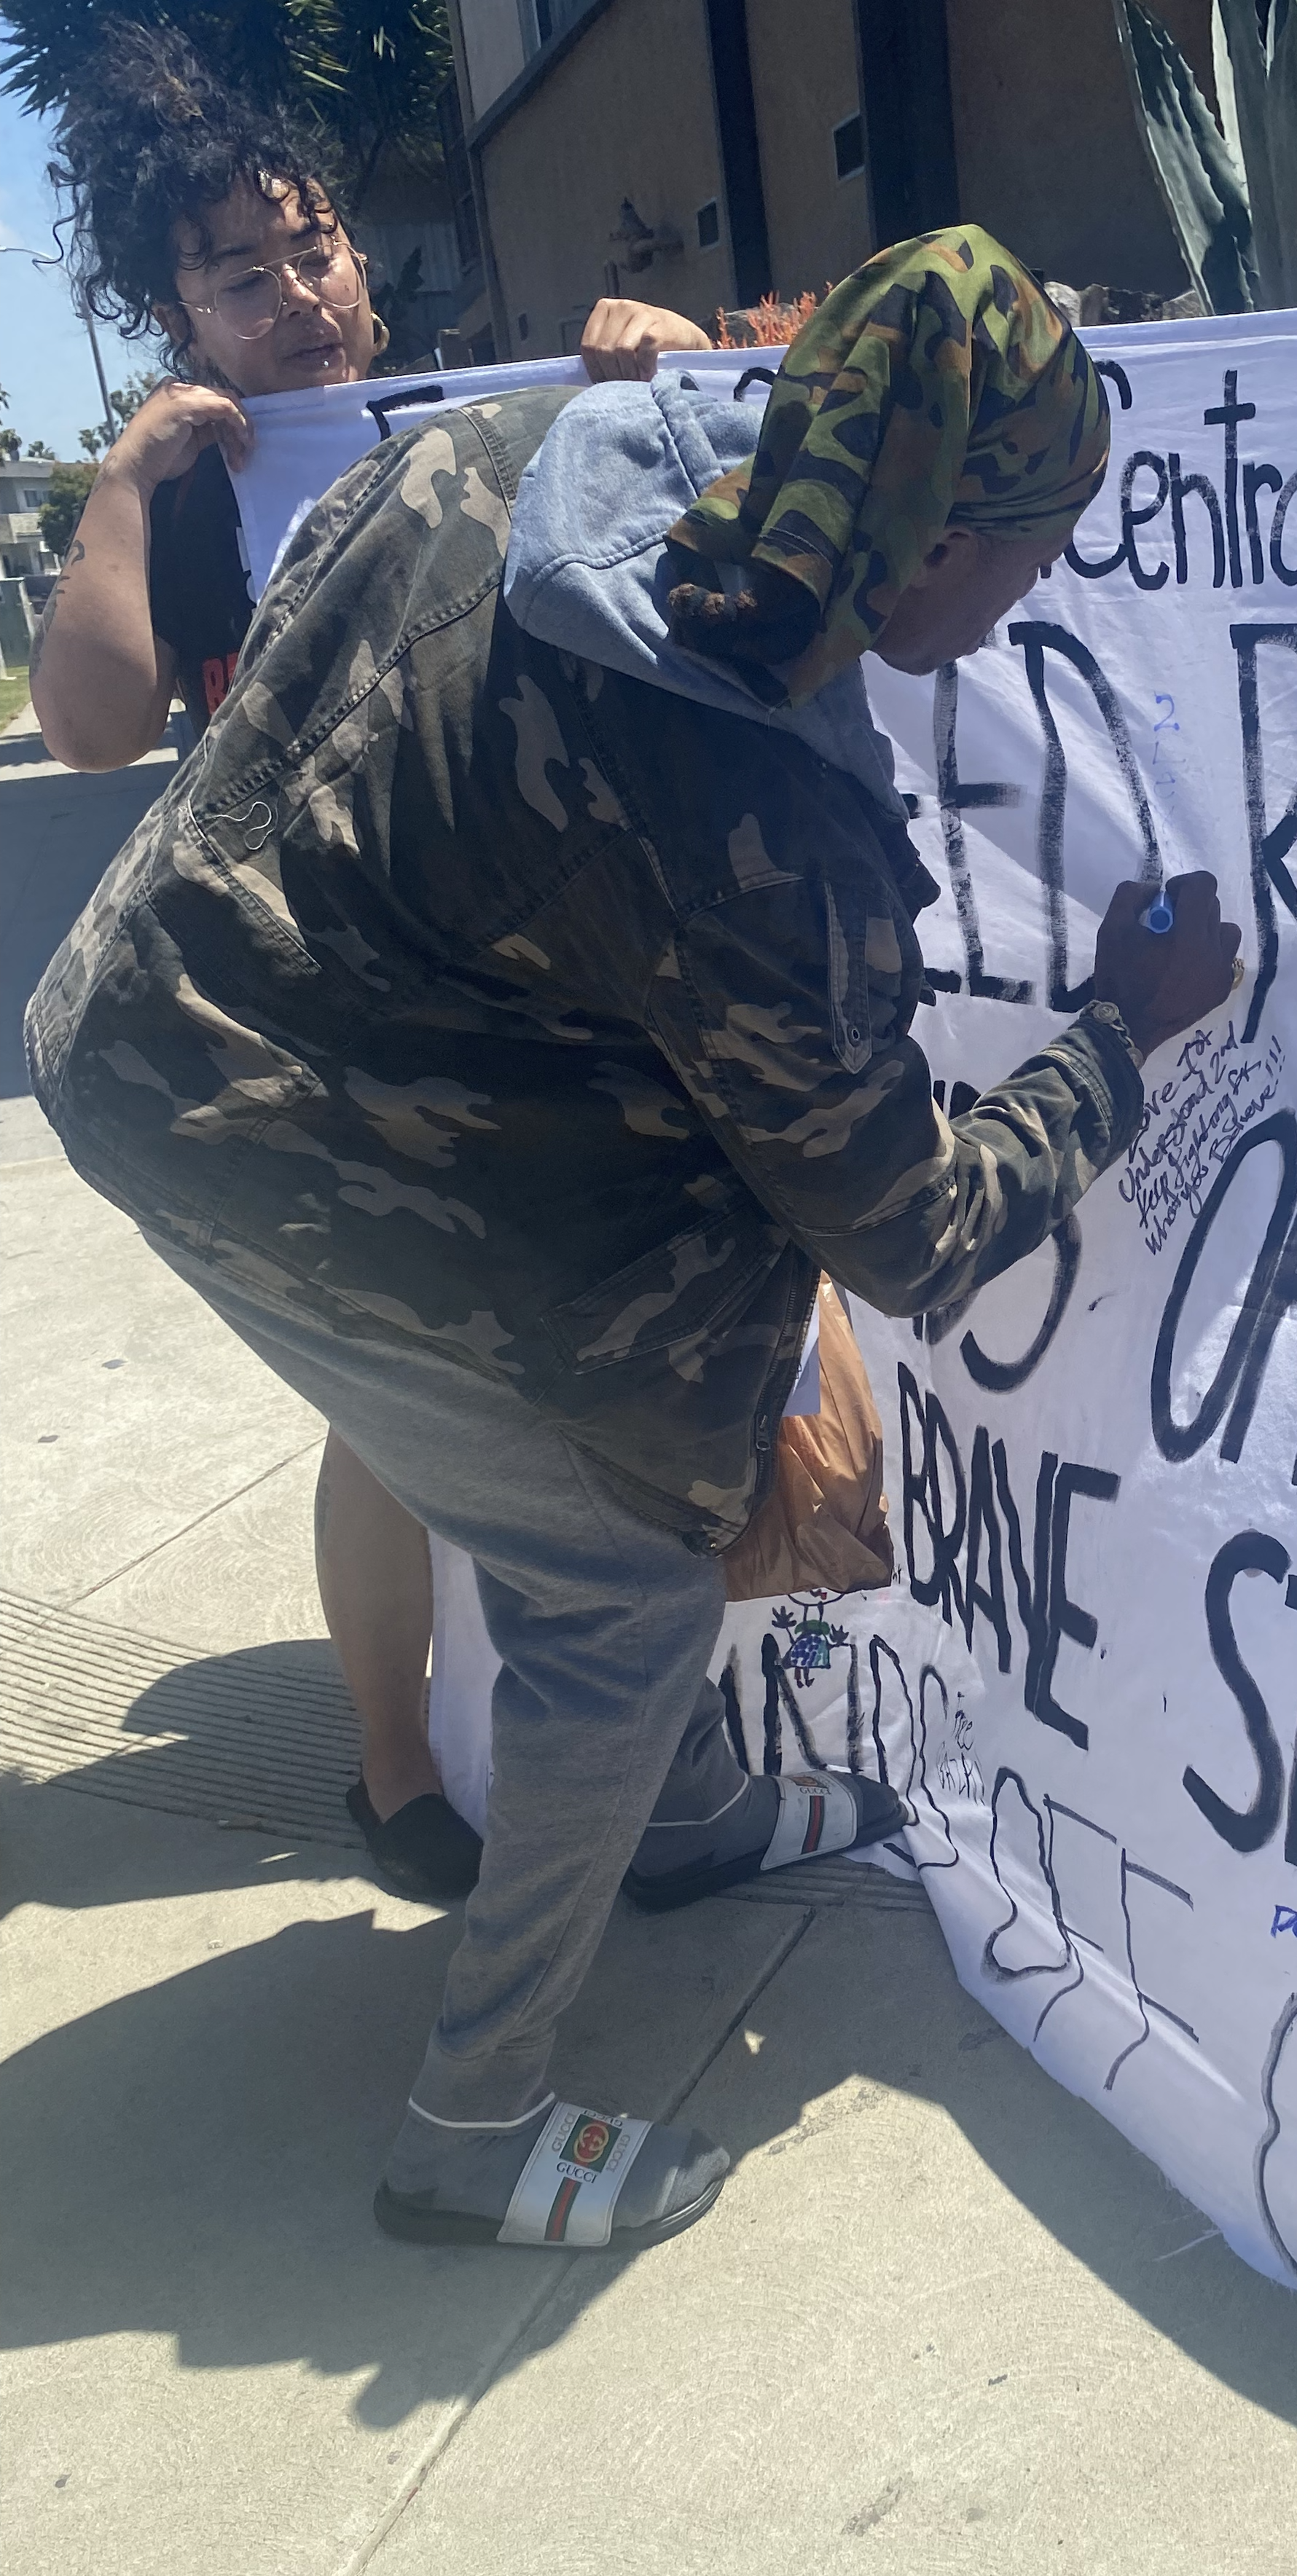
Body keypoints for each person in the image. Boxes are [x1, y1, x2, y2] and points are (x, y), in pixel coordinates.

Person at [30, 224, 1240, 2257]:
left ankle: (679, 1834)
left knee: (580, 1459)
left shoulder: (516, 451)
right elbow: (910, 1229)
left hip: (162, 1032)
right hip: (267, 1135)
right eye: (1024, 547)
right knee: (616, 1583)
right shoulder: (752, 802)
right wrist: (1121, 1038)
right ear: (931, 528)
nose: (1031, 596)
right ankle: (474, 2125)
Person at [32, 25, 724, 1903]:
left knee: (567, 1408)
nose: (298, 297)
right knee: (389, 1419)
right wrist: (116, 485)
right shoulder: (190, 500)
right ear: (173, 306)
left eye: (316, 248)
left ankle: (614, 1752)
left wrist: (655, 378)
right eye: (239, 277)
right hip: (317, 1041)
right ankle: (399, 1777)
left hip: (531, 1010)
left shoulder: (460, 416)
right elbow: (88, 726)